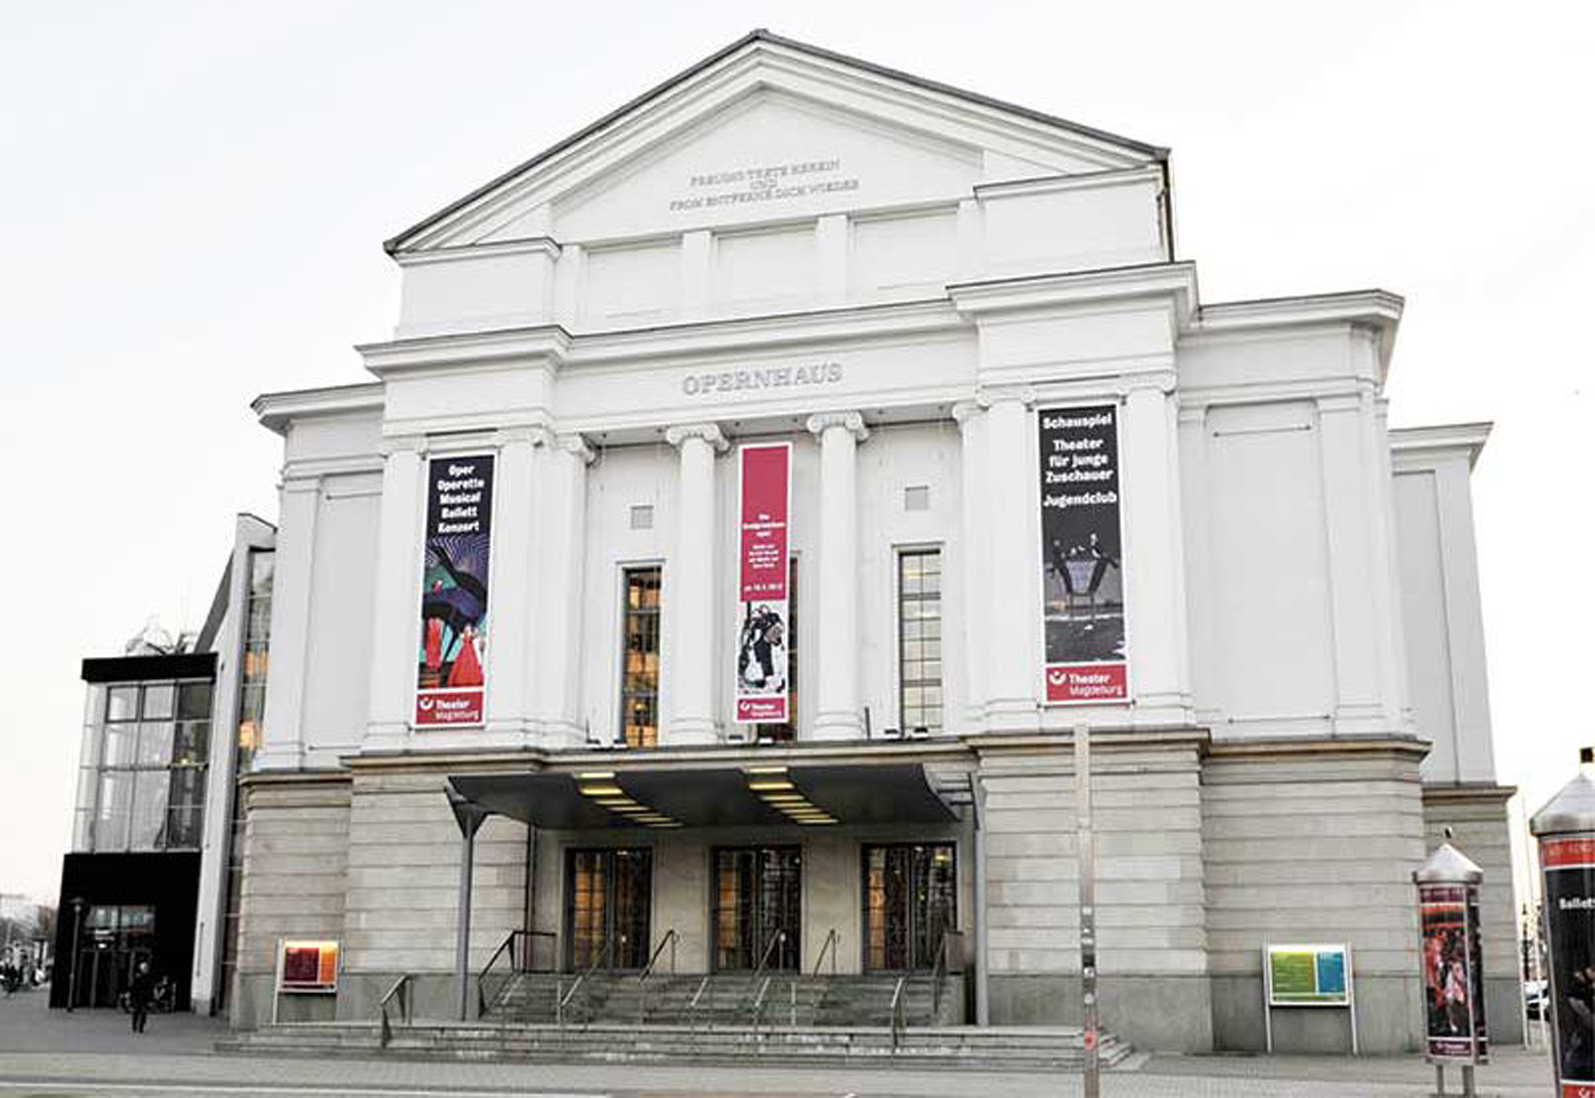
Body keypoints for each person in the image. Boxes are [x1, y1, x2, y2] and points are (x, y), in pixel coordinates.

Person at [127, 960, 153, 1034]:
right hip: (137, 997)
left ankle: (141, 1027)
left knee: (143, 1012)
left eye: (146, 968)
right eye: (144, 968)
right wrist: (131, 997)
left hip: (145, 998)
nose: (146, 970)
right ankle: (134, 1026)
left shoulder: (148, 978)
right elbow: (133, 988)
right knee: (136, 1012)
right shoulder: (137, 977)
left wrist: (150, 999)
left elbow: (149, 989)